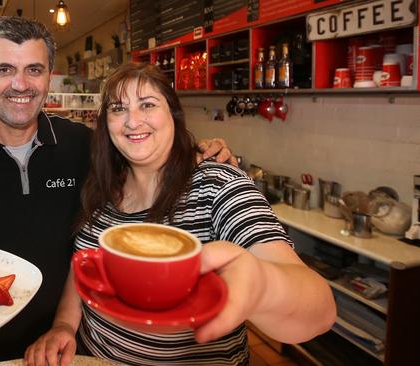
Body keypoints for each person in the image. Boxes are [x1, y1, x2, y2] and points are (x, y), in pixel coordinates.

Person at [0, 17, 234, 364]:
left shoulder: (82, 145)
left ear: (48, 76)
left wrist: (199, 151)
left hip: (66, 346)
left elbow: (144, 151)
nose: (20, 84)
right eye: (5, 69)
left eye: (34, 69)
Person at [24, 63, 336, 366]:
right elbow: (83, 269)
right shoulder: (101, 189)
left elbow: (320, 311)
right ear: (106, 123)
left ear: (173, 114)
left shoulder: (217, 186)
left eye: (147, 104)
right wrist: (64, 324)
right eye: (118, 109)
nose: (132, 121)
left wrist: (263, 286)